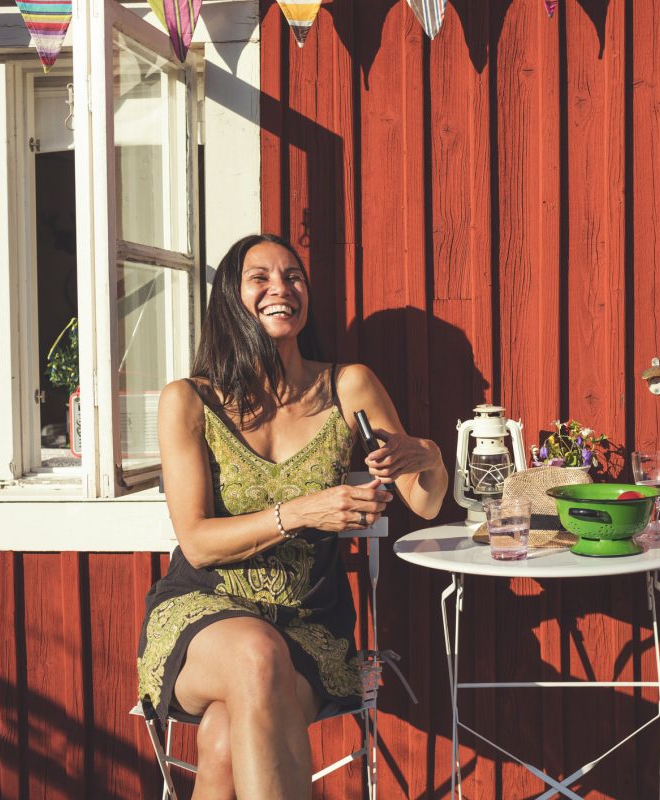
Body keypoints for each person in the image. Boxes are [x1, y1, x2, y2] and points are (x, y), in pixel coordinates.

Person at [136, 233, 448, 799]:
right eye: (260, 277)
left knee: (225, 739)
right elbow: (200, 544)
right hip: (202, 613)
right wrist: (306, 509)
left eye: (293, 276)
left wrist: (427, 455)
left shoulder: (347, 384)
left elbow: (423, 500)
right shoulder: (188, 400)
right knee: (255, 654)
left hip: (309, 623)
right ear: (231, 295)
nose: (281, 288)